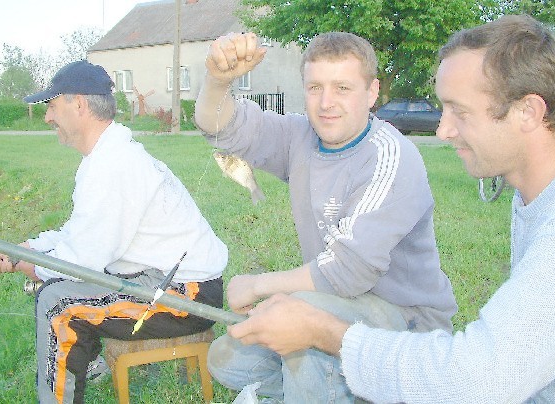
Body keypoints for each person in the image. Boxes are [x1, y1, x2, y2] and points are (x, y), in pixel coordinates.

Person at [223, 14, 555, 403]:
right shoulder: (541, 195)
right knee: (234, 358)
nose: (443, 130)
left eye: (460, 112)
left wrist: (324, 331)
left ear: (528, 112)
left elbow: (475, 380)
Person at [195, 32, 458, 402]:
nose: (326, 102)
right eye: (315, 87)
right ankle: (342, 389)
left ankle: (366, 384)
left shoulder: (390, 154)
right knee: (228, 358)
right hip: (337, 301)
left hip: (408, 322)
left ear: (371, 92)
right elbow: (222, 128)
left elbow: (348, 272)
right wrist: (218, 80)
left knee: (303, 315)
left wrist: (259, 286)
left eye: (343, 87)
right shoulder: (301, 136)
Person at [0, 60, 228, 404]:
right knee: (58, 284)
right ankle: (89, 365)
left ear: (79, 105)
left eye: (52, 106)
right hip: (163, 281)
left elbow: (80, 261)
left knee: (58, 302)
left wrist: (23, 264)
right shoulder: (106, 158)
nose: (47, 117)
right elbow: (79, 233)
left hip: (185, 297)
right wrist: (25, 248)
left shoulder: (114, 166)